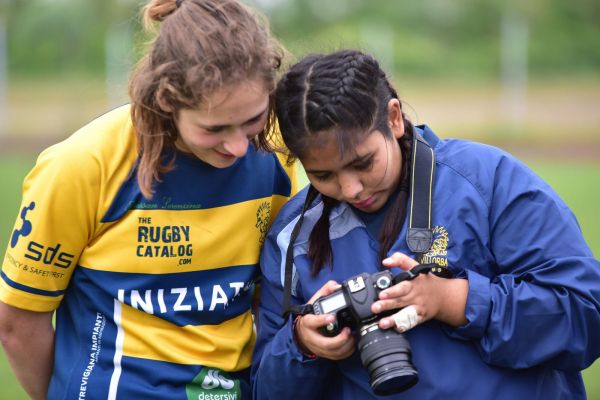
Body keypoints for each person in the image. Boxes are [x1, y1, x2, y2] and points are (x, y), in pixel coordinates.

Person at [251, 49, 600, 399]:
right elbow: (265, 389)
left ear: (394, 118)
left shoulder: (486, 182)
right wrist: (302, 346)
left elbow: (585, 316)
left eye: (363, 163)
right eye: (322, 175)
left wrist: (453, 300)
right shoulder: (293, 235)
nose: (350, 189)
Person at [0, 0, 297, 398]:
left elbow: (270, 298)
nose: (239, 146)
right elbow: (17, 321)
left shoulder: (278, 155)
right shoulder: (83, 165)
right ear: (165, 100)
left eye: (252, 120)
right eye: (214, 128)